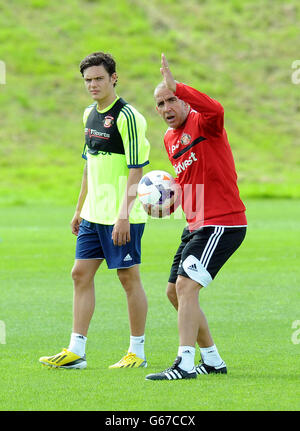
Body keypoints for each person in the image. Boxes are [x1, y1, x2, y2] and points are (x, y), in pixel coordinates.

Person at [39, 52, 150, 369]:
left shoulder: (129, 117)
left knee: (128, 279)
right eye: (88, 80)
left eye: (99, 78)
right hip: (92, 214)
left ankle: (137, 353)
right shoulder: (88, 113)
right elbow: (89, 166)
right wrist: (79, 210)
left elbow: (135, 169)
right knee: (80, 274)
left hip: (122, 215)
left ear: (114, 78)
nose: (93, 85)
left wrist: (123, 215)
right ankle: (76, 351)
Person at [145, 54, 247, 381]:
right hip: (195, 225)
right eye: (160, 103)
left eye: (171, 99)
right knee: (174, 291)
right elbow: (188, 181)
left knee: (187, 286)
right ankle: (213, 360)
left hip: (222, 223)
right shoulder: (169, 139)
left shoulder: (204, 123)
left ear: (184, 101)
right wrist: (168, 200)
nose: (166, 107)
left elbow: (216, 109)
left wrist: (181, 87)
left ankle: (184, 363)